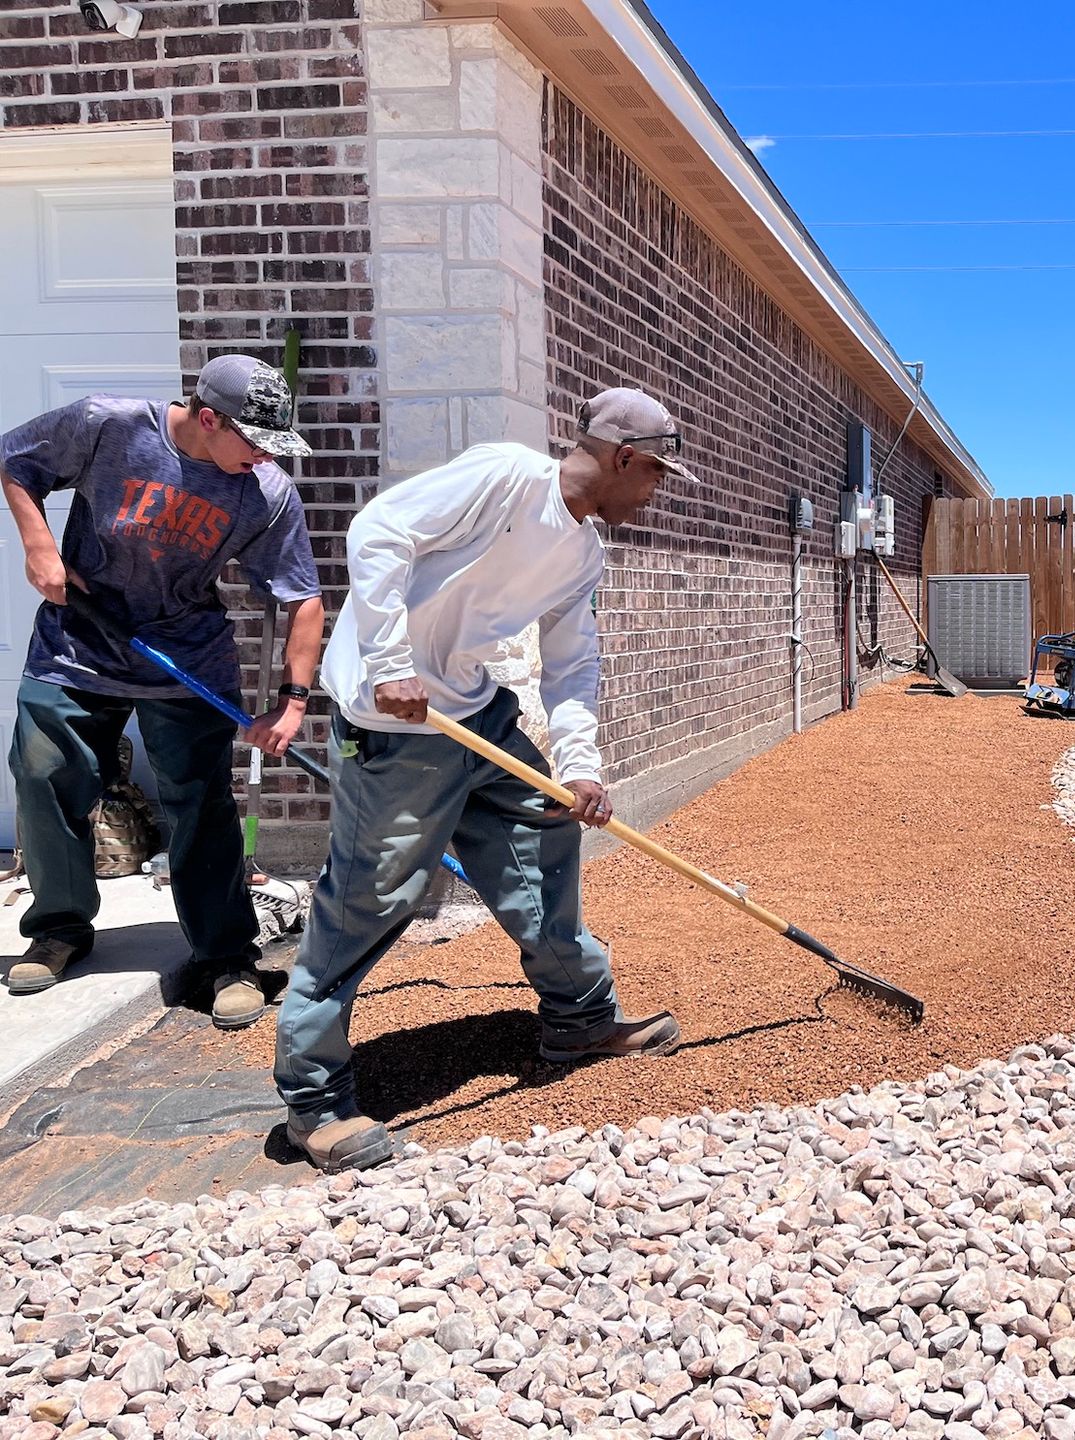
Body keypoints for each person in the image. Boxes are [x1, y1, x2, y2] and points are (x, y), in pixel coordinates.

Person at [275, 386, 695, 1173]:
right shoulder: (506, 476)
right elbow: (377, 531)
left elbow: (574, 664)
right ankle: (314, 1100)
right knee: (372, 897)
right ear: (624, 458)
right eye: (656, 475)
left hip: (474, 712)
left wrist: (578, 768)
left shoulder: (584, 552)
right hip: (394, 725)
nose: (656, 491)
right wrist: (392, 665)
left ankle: (579, 1017)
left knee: (544, 835)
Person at [0, 354, 324, 1027]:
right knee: (43, 772)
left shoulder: (265, 491)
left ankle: (225, 956)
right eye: (255, 442)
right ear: (209, 419)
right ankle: (60, 926)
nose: (265, 458)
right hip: (80, 642)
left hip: (186, 656)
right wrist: (39, 546)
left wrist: (292, 702)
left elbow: (303, 600)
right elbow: (16, 461)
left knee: (200, 803)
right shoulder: (106, 425)